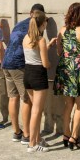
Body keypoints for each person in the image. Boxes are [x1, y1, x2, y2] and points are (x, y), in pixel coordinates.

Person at [2, 3, 45, 144]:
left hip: (6, 63)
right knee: (26, 99)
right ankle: (27, 135)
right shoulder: (34, 27)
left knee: (12, 97)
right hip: (18, 65)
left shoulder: (19, 24)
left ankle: (16, 131)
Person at [53, 3, 80, 150]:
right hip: (76, 70)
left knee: (68, 105)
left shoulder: (62, 30)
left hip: (64, 69)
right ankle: (73, 138)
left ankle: (66, 134)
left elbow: (58, 52)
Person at [22, 11, 56, 152]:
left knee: (36, 109)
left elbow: (34, 53)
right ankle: (32, 144)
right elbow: (45, 63)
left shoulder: (26, 37)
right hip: (38, 76)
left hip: (28, 74)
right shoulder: (41, 40)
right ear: (43, 24)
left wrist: (47, 47)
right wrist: (50, 64)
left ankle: (36, 139)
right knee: (36, 111)